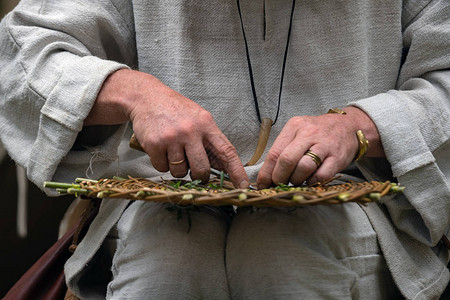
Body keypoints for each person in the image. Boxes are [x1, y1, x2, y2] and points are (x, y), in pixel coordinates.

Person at [0, 0, 449, 299]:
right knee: (168, 259)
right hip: (155, 202)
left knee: (279, 255)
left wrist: (360, 126)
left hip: (358, 205)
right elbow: (21, 54)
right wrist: (132, 93)